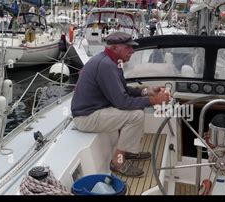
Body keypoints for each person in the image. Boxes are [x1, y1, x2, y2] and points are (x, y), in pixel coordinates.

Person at [71, 31, 170, 177]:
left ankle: (127, 151)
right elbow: (122, 102)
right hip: (86, 117)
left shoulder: (110, 61)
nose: (132, 51)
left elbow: (123, 90)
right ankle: (117, 162)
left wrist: (147, 91)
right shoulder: (106, 65)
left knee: (134, 112)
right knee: (136, 116)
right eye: (128, 47)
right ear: (114, 48)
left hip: (93, 111)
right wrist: (153, 100)